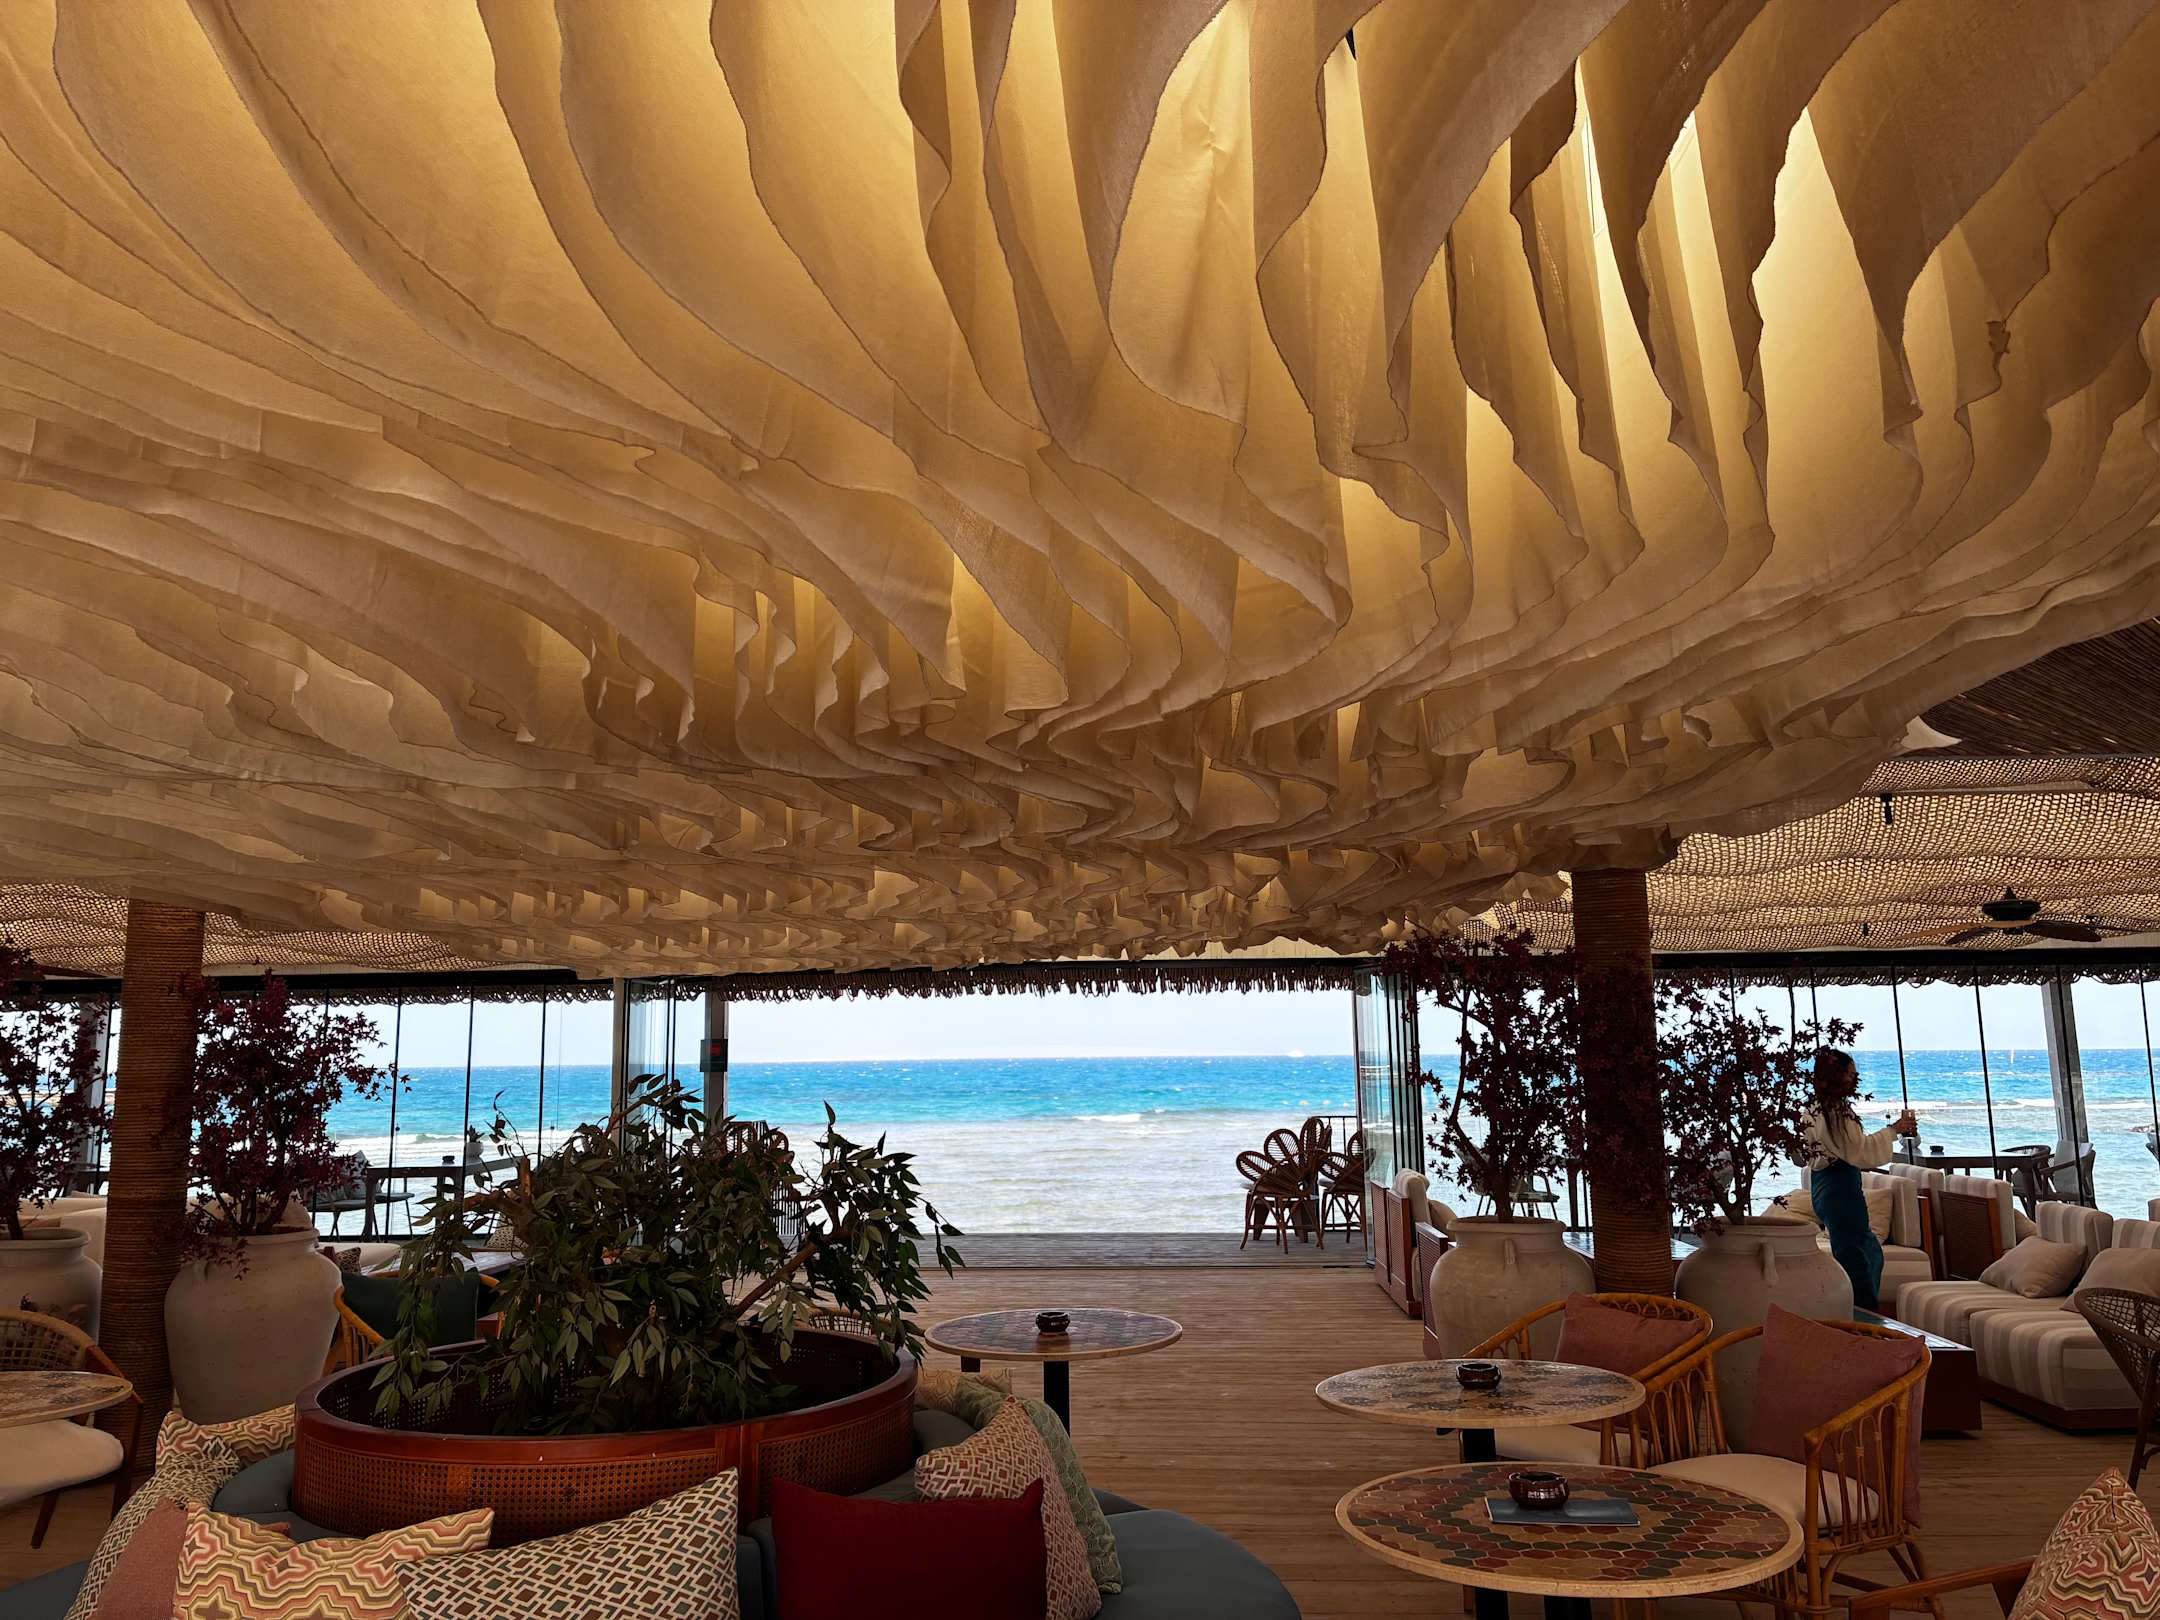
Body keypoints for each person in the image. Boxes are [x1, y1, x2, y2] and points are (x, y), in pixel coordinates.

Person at [1802, 1048, 1917, 1312]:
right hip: (1840, 1186)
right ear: (1838, 1076)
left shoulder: (1813, 1109)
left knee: (1863, 1250)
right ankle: (1860, 1316)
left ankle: (1854, 1311)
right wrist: (1894, 1130)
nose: (1855, 1078)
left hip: (1823, 1186)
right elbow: (1858, 1151)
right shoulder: (1836, 1112)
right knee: (1857, 1256)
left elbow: (1806, 1152)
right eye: (1851, 1073)